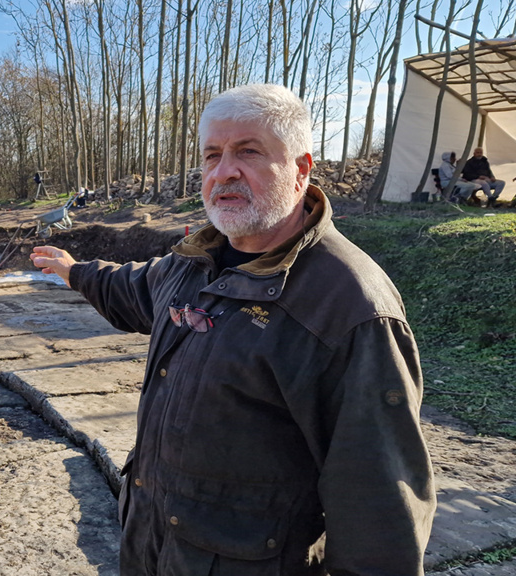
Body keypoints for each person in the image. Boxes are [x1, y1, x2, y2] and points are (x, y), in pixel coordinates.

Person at [30, 84, 435, 575]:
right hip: (153, 552)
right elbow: (131, 288)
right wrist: (74, 270)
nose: (224, 172)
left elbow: (380, 502)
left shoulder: (350, 306)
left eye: (248, 151)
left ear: (301, 169)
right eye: (212, 155)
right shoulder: (193, 263)